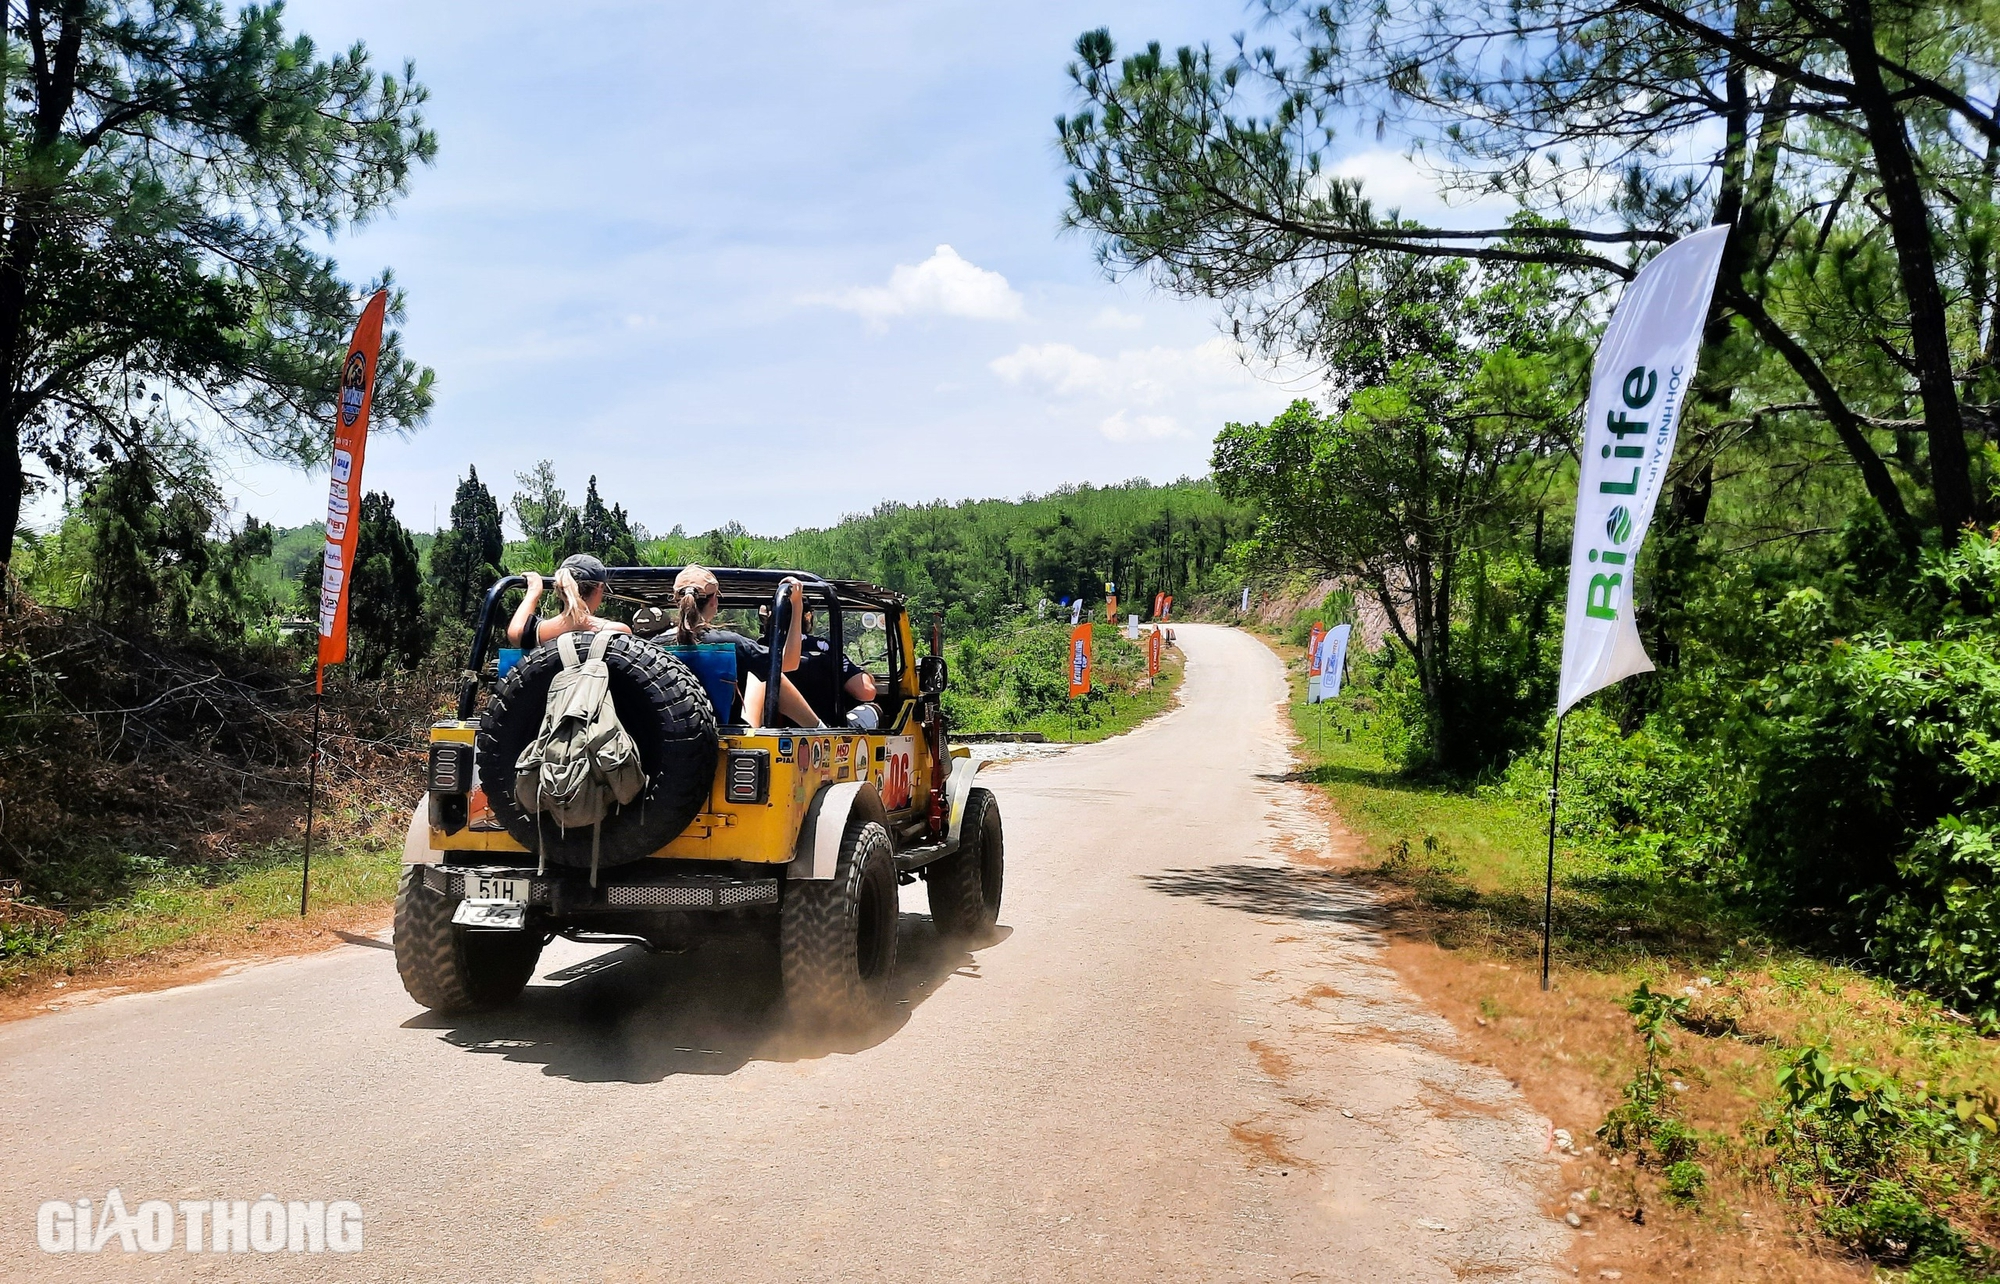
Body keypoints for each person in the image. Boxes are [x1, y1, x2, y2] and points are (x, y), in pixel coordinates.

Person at [670, 564, 817, 730]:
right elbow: (789, 662)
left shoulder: (652, 649)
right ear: (713, 601)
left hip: (663, 740)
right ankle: (820, 728)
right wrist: (797, 605)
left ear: (677, 602)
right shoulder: (729, 643)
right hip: (724, 737)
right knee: (763, 675)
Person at [505, 554, 630, 651]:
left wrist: (533, 590)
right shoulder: (614, 631)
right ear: (600, 588)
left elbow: (515, 631)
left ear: (559, 589)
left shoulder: (536, 633)